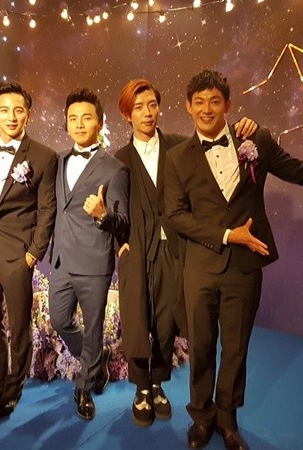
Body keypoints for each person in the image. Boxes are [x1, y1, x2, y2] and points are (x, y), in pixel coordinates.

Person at [165, 69, 303, 450]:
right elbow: (175, 216)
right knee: (200, 346)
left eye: (214, 101)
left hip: (244, 268)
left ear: (228, 105)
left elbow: (302, 172)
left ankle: (227, 419)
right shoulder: (177, 157)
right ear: (187, 106)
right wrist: (228, 235)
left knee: (236, 348)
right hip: (199, 267)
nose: (206, 109)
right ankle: (201, 416)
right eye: (199, 102)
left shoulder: (255, 140)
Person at [114, 79, 258, 427]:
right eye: (138, 108)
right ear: (127, 115)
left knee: (167, 319)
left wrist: (246, 128)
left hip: (176, 249)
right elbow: (115, 207)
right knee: (138, 319)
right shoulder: (119, 160)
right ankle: (141, 387)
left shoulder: (179, 147)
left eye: (152, 105)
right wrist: (119, 243)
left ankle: (158, 384)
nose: (147, 113)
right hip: (138, 251)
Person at [0, 81, 57, 419]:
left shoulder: (43, 156)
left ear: (28, 115)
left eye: (18, 110)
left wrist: (33, 252)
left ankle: (13, 387)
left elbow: (47, 209)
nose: (11, 116)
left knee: (19, 324)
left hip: (18, 253)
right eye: (4, 110)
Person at [48, 88, 130, 421]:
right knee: (59, 320)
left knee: (93, 328)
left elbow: (123, 223)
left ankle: (85, 386)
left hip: (94, 262)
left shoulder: (115, 168)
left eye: (86, 118)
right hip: (62, 260)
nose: (79, 124)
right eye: (73, 118)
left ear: (99, 122)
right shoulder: (58, 161)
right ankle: (96, 358)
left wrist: (102, 214)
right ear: (66, 123)